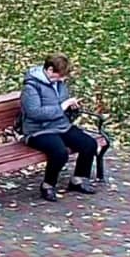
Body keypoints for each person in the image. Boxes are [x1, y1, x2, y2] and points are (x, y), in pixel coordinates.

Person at [19, 54, 99, 202]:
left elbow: (64, 108)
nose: (62, 80)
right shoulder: (31, 87)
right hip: (38, 130)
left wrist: (72, 109)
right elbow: (34, 113)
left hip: (60, 125)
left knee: (89, 144)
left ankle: (78, 180)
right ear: (49, 70)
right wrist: (62, 107)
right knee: (59, 152)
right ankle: (48, 185)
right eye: (59, 76)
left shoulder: (59, 84)